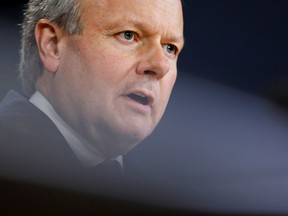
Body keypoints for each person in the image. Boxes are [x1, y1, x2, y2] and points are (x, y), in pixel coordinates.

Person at [0, 0, 184, 200]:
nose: (160, 65)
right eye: (128, 35)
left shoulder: (162, 199)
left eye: (169, 48)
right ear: (52, 46)